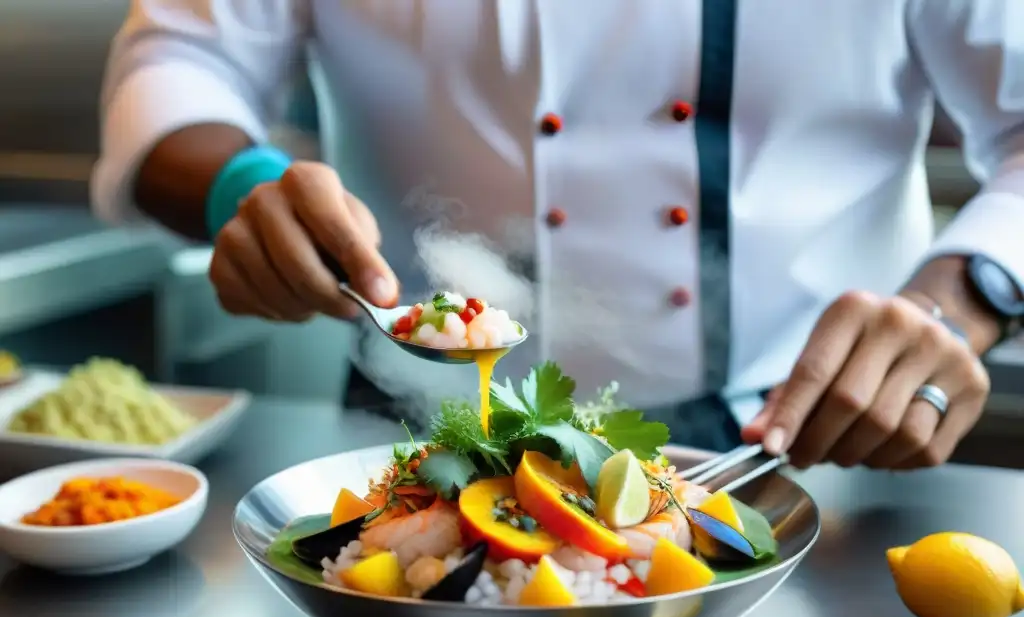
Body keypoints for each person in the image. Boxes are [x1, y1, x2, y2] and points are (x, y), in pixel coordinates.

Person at [92, 1, 1024, 469]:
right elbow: (179, 56)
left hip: (803, 440)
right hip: (420, 431)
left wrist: (961, 300)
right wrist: (241, 189)